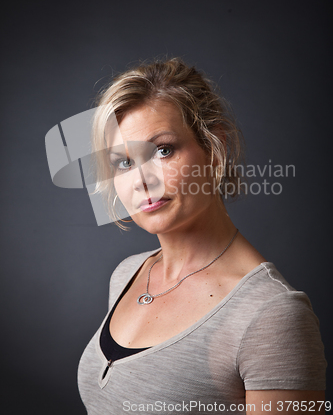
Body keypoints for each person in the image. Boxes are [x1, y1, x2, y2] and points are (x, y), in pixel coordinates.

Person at [77, 58, 327, 414]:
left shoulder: (272, 316)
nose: (141, 180)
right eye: (124, 162)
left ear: (213, 148)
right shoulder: (127, 276)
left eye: (162, 150)